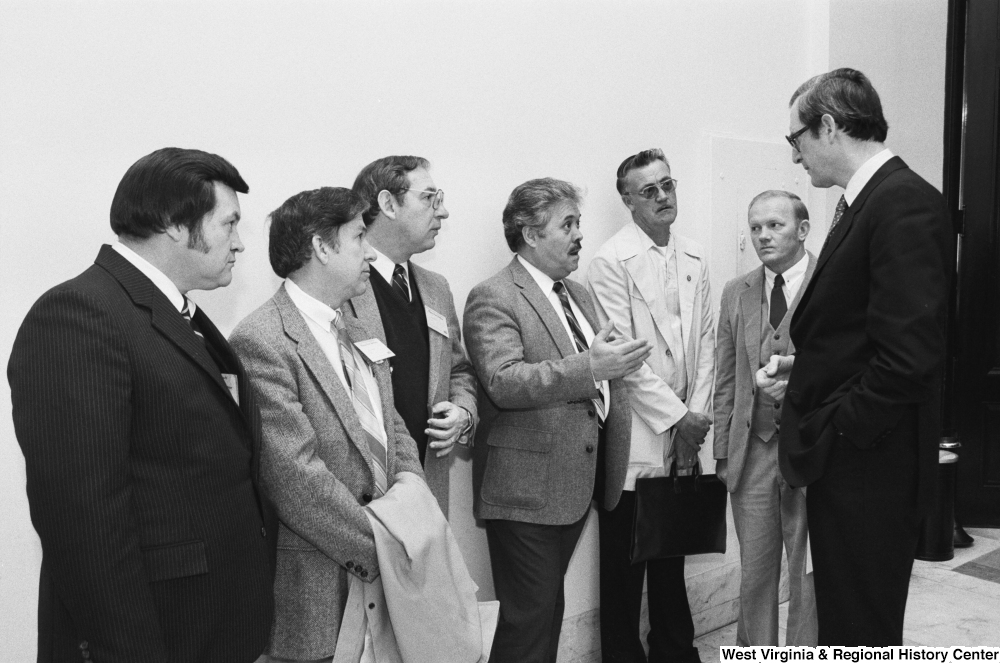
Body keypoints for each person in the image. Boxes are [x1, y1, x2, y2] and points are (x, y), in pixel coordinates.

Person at [7, 148, 276, 663]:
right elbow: (83, 520)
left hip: (213, 622)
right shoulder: (80, 314)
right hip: (153, 633)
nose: (240, 244)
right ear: (176, 223)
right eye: (229, 224)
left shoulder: (178, 315)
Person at [776, 68, 953, 645]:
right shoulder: (867, 201)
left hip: (868, 468)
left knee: (862, 634)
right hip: (856, 464)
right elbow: (858, 335)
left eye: (796, 139)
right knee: (848, 627)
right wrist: (801, 370)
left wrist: (835, 429)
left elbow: (908, 358)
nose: (796, 156)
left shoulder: (903, 203)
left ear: (828, 127)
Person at [229, 187, 425, 662]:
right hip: (322, 580)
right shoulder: (262, 339)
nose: (371, 251)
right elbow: (295, 478)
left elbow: (392, 425)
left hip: (390, 576)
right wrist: (387, 541)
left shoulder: (357, 328)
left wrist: (413, 505)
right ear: (321, 246)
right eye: (359, 237)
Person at [463, 178, 651, 663]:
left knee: (545, 613)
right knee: (528, 623)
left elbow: (591, 371)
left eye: (578, 224)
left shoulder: (579, 295)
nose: (578, 236)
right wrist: (593, 366)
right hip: (524, 491)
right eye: (567, 224)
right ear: (529, 232)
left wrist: (608, 366)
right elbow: (504, 381)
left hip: (573, 484)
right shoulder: (494, 296)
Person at [587, 148, 714, 663]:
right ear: (628, 202)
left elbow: (706, 345)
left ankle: (675, 651)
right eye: (649, 191)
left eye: (668, 185)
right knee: (625, 563)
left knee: (671, 553)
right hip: (637, 433)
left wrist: (696, 418)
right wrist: (678, 418)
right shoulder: (609, 261)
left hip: (687, 425)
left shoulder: (696, 256)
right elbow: (625, 361)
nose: (663, 197)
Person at [713, 190, 818, 646]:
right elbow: (725, 378)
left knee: (807, 575)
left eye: (775, 225)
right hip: (751, 451)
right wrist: (722, 453)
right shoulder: (736, 292)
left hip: (813, 451)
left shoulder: (830, 282)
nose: (763, 235)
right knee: (754, 573)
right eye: (755, 227)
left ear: (803, 229)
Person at [350, 155, 478, 515]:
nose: (443, 212)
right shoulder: (343, 287)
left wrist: (463, 412)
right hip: (368, 496)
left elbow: (460, 371)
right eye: (429, 198)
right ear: (388, 204)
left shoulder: (436, 288)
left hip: (430, 489)